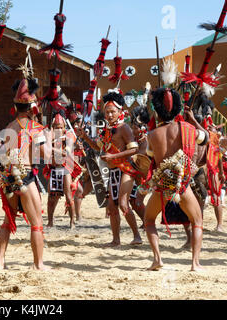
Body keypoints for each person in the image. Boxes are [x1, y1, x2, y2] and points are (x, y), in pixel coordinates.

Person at [144, 88, 208, 271]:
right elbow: (205, 140)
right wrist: (193, 120)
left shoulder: (152, 135)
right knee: (197, 221)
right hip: (182, 185)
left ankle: (157, 259)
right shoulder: (188, 129)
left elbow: (150, 155)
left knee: (149, 220)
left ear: (157, 110)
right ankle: (195, 263)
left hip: (162, 185)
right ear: (178, 109)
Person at [0, 76, 52, 270]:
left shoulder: (8, 127)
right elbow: (47, 155)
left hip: (9, 178)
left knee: (6, 221)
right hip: (25, 177)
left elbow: (2, 155)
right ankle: (38, 264)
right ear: (33, 108)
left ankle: (0, 262)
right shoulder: (35, 128)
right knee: (36, 222)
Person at [75, 89, 142, 246]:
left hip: (125, 170)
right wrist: (84, 136)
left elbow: (134, 149)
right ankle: (116, 240)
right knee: (112, 206)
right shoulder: (106, 130)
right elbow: (98, 147)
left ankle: (137, 236)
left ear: (120, 112)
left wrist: (112, 157)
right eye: (107, 112)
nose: (110, 115)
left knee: (123, 203)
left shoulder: (124, 128)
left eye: (113, 112)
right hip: (113, 171)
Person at [45, 113, 78, 229]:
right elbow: (44, 149)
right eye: (56, 126)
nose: (59, 129)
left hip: (65, 168)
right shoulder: (49, 135)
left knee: (69, 197)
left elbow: (67, 151)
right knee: (51, 196)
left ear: (64, 127)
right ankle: (50, 221)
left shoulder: (68, 135)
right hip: (54, 168)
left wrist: (50, 147)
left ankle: (72, 221)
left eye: (60, 127)